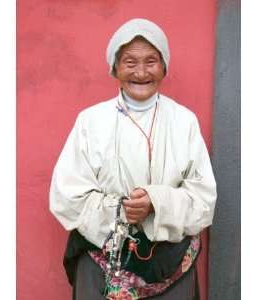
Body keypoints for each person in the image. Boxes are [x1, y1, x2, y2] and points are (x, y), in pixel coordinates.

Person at [50, 18, 217, 300]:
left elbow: (203, 200)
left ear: (164, 66)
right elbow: (66, 196)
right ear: (114, 68)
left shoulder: (184, 122)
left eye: (151, 61)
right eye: (129, 62)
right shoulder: (90, 122)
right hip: (101, 262)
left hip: (171, 263)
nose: (141, 72)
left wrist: (156, 202)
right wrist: (122, 211)